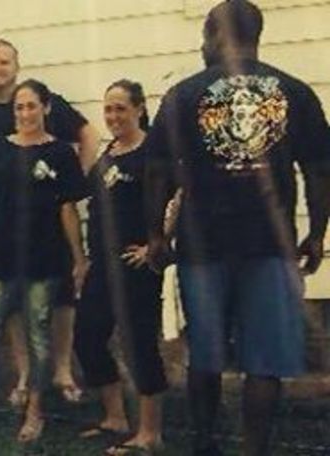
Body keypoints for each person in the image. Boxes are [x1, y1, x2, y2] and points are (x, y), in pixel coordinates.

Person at [144, 1, 330, 455]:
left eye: (204, 37)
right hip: (272, 245)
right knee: (264, 361)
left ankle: (205, 445)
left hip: (202, 247)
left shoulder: (184, 94)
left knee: (205, 354)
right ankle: (253, 450)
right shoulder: (295, 92)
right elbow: (320, 168)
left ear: (213, 34)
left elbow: (157, 170)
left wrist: (156, 235)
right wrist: (317, 233)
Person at [0, 38, 100, 405]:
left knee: (59, 302)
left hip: (50, 227)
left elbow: (89, 134)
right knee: (10, 306)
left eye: (3, 62)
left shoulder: (40, 101)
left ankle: (61, 370)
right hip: (4, 231)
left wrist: (73, 184)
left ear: (16, 67)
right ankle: (26, 373)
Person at [0, 79, 89, 443]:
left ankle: (35, 411)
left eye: (31, 106)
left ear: (45, 108)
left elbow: (68, 210)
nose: (25, 113)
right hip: (1, 259)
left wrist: (79, 259)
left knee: (39, 336)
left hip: (45, 260)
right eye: (19, 107)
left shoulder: (61, 153)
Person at [75, 80, 166, 455]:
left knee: (139, 343)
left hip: (135, 265)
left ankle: (151, 432)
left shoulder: (152, 154)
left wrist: (155, 246)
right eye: (108, 109)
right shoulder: (107, 154)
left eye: (121, 109)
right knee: (87, 338)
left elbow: (178, 199)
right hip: (103, 266)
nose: (113, 116)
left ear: (140, 109)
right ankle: (115, 417)